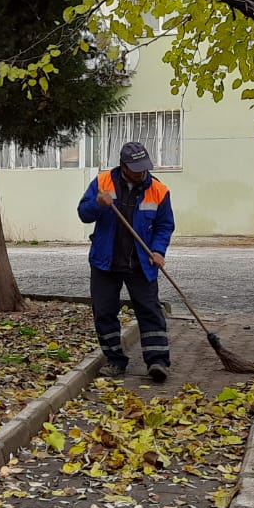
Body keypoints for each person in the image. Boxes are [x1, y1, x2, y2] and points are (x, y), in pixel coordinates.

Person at [77, 141, 175, 382]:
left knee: (150, 311)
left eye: (144, 167)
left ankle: (158, 362)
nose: (141, 172)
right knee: (104, 313)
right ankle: (114, 361)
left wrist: (158, 250)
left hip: (141, 263)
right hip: (105, 262)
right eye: (136, 168)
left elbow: (164, 226)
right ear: (123, 166)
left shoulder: (159, 190)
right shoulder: (102, 184)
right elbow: (83, 214)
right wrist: (98, 205)